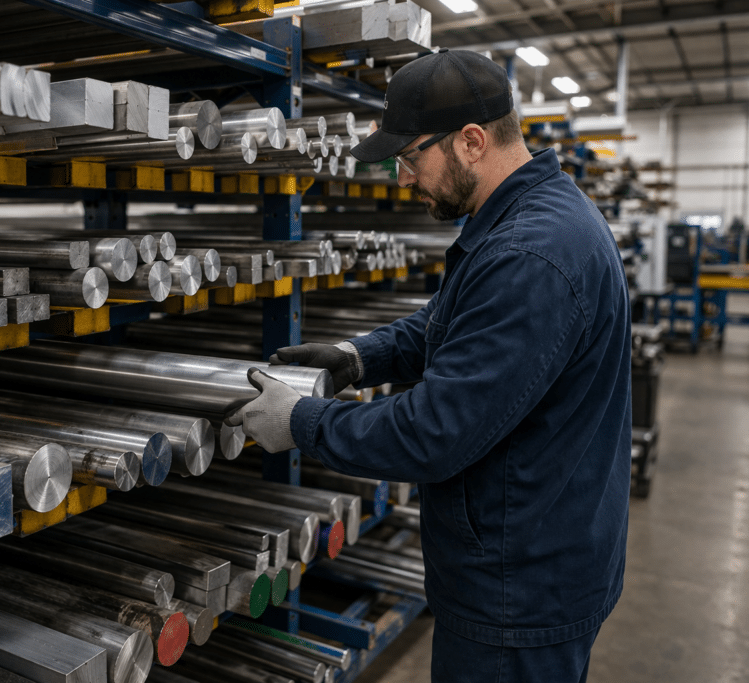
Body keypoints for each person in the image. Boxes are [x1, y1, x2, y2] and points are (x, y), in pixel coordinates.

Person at [225, 49, 631, 683]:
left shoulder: (531, 252)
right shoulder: (524, 220)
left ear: (470, 142)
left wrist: (303, 423)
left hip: (517, 589)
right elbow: (451, 325)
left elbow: (434, 431)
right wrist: (357, 357)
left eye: (411, 156)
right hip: (529, 556)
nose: (404, 177)